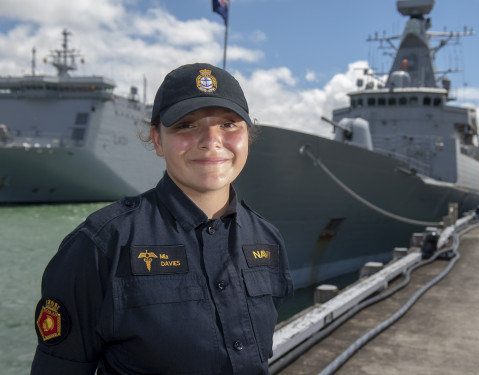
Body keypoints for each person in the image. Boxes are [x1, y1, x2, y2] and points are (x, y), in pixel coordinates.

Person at [31, 63, 294, 375]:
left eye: (228, 124)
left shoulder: (267, 239)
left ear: (247, 136)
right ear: (156, 139)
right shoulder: (101, 245)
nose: (211, 140)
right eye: (186, 125)